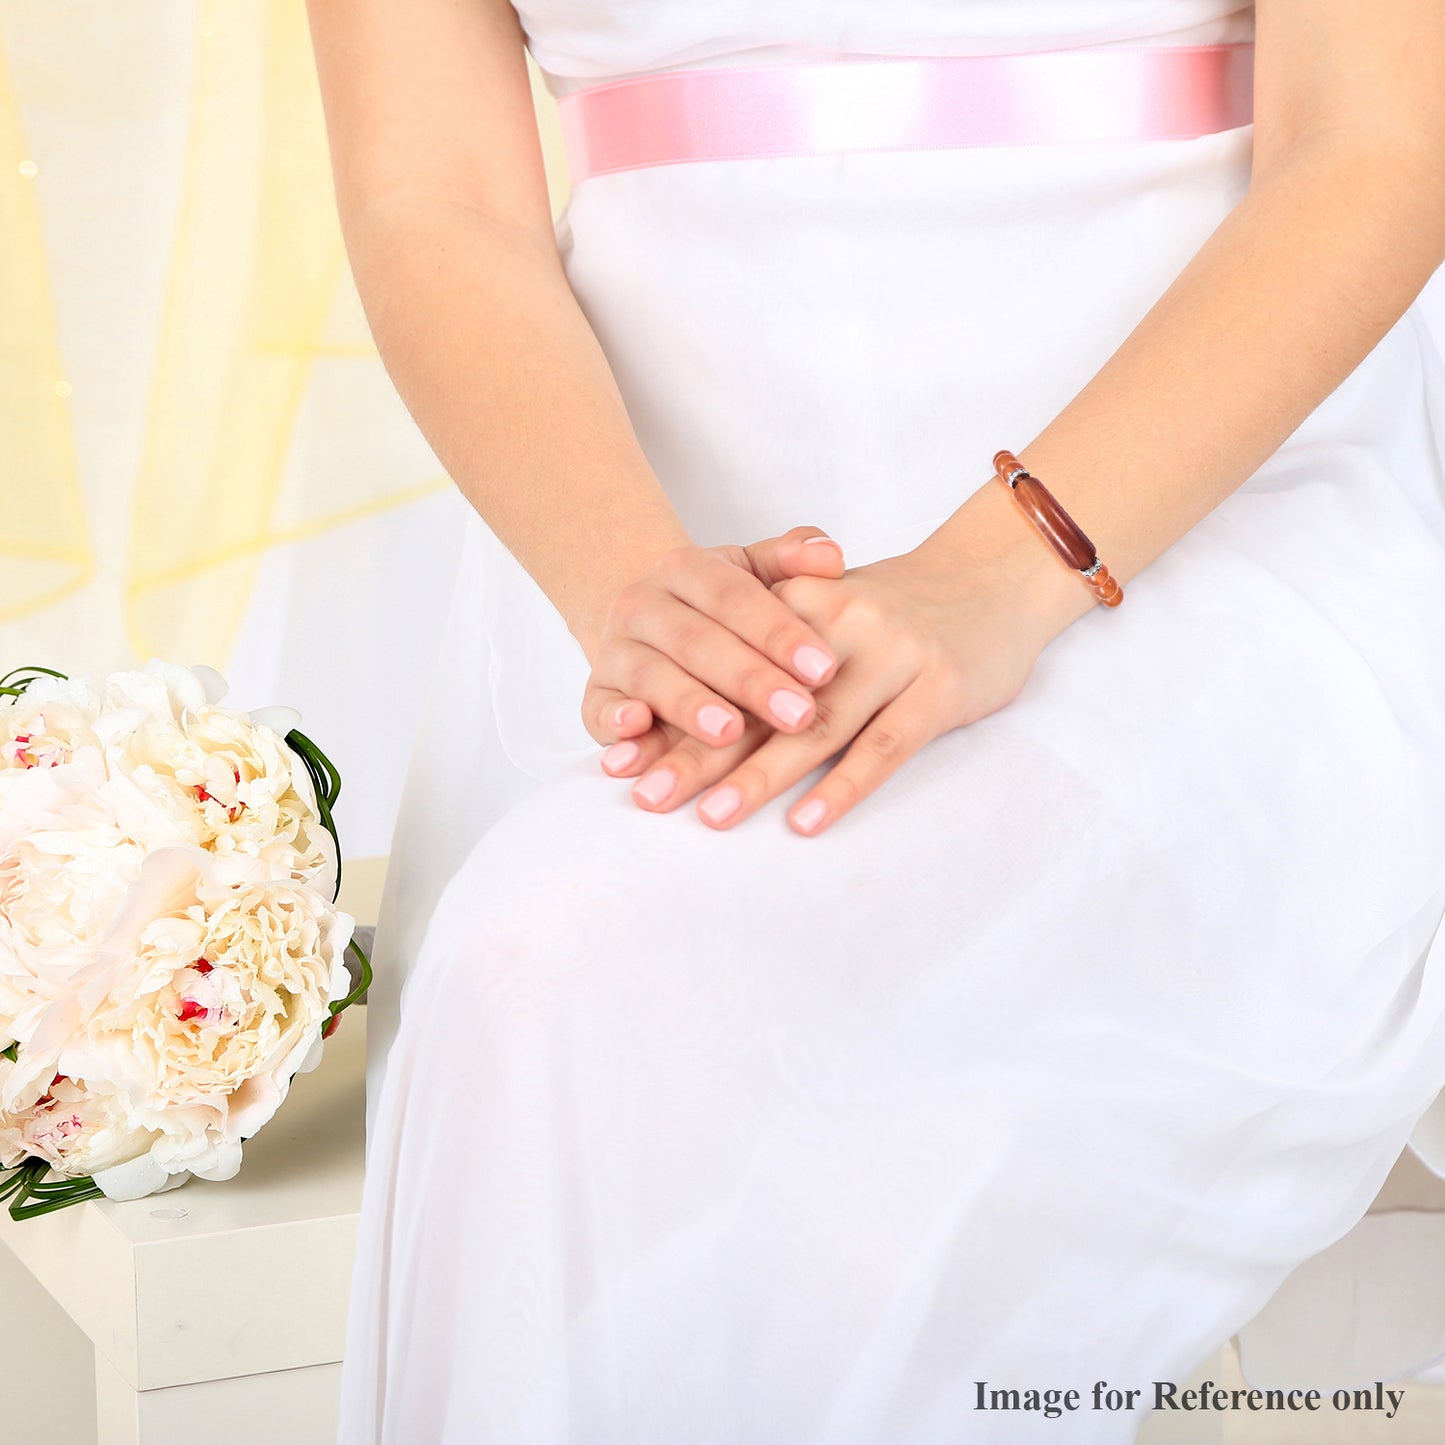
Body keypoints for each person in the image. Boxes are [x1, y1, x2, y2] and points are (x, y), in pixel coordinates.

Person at [304, 0, 1445, 1439]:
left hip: (1189, 535)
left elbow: (1375, 144)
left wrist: (1004, 569)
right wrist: (640, 596)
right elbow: (435, 199)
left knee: (575, 984)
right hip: (643, 555)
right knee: (532, 971)